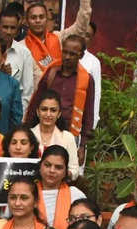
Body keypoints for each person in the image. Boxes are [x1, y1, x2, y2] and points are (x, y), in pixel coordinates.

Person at [26, 35, 95, 167]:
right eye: (65, 52)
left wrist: (83, 146)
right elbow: (36, 102)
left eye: (73, 54)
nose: (67, 57)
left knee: (67, 173)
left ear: (81, 56)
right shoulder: (51, 73)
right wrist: (27, 131)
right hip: (44, 132)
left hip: (69, 135)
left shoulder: (87, 80)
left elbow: (88, 114)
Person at [19, 0, 92, 87]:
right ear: (27, 21)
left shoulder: (58, 37)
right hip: (36, 98)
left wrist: (85, 2)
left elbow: (81, 28)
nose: (37, 20)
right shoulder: (21, 47)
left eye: (41, 17)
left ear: (47, 19)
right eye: (33, 17)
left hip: (63, 93)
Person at [36, 145, 86, 229]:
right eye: (47, 165)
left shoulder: (75, 195)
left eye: (58, 167)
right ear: (40, 167)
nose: (52, 170)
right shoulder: (28, 192)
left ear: (65, 172)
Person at [30, 89, 79, 179]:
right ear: (38, 112)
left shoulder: (67, 137)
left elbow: (75, 170)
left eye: (53, 110)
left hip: (58, 187)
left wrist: (60, 173)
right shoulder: (28, 135)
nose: (48, 114)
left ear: (59, 114)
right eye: (44, 109)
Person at [0, 7, 35, 111]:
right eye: (5, 27)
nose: (9, 32)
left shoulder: (24, 53)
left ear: (17, 30)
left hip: (13, 111)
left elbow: (27, 91)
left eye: (12, 28)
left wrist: (20, 119)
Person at [79, 22, 101, 128]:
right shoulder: (62, 55)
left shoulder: (93, 62)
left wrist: (93, 122)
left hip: (81, 117)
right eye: (81, 33)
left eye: (87, 35)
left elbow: (96, 93)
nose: (83, 37)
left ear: (91, 39)